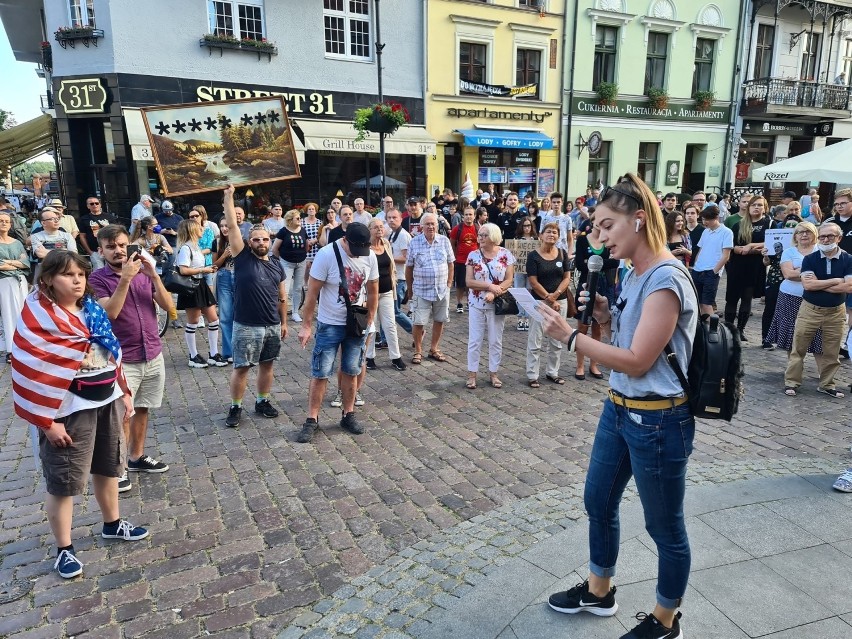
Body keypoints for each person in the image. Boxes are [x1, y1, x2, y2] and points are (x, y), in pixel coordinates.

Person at [539, 174, 698, 639]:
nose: (599, 236)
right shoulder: (632, 274)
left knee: (664, 525)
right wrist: (607, 318)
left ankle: (667, 620)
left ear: (639, 220)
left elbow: (639, 360)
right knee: (598, 498)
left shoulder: (666, 278)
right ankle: (599, 590)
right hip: (619, 407)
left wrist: (571, 337)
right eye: (596, 227)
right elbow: (628, 343)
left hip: (659, 419)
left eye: (607, 225)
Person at [12, 250, 149, 579]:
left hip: (107, 400)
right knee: (64, 482)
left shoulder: (90, 309)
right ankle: (64, 549)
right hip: (69, 410)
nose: (76, 281)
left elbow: (109, 347)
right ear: (47, 279)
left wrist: (124, 391)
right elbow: (32, 371)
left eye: (81, 274)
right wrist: (48, 423)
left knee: (108, 468)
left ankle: (112, 524)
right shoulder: (38, 318)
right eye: (67, 275)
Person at [90, 224, 173, 492]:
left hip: (152, 351)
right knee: (121, 415)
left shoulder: (143, 273)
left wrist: (154, 276)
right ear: (101, 251)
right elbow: (110, 313)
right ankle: (119, 468)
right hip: (121, 358)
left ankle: (136, 457)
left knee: (144, 408)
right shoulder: (97, 280)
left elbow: (169, 307)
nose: (118, 251)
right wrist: (125, 278)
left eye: (122, 245)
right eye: (111, 247)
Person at [296, 223, 378, 443]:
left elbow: (372, 289)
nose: (360, 254)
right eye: (355, 250)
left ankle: (348, 413)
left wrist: (370, 319)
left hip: (356, 323)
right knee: (321, 371)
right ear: (345, 240)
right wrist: (306, 325)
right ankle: (311, 419)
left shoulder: (369, 255)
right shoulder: (326, 254)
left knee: (351, 369)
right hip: (330, 323)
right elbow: (312, 293)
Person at [220, 187, 289, 427]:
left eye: (265, 239)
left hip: (271, 324)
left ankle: (262, 401)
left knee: (267, 365)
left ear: (270, 241)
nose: (261, 242)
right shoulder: (242, 257)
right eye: (256, 239)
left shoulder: (277, 265)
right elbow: (231, 223)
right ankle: (235, 406)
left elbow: (282, 296)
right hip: (247, 325)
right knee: (242, 368)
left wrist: (284, 322)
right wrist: (228, 197)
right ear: (249, 242)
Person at [783, 222, 852, 398]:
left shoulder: (848, 259)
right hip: (810, 309)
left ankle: (827, 384)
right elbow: (808, 284)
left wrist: (819, 283)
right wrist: (836, 280)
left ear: (839, 238)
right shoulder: (810, 259)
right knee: (799, 348)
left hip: (835, 312)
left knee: (831, 351)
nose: (826, 239)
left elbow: (849, 287)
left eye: (830, 236)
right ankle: (792, 382)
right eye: (822, 236)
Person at [464, 223, 515, 390]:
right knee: (475, 340)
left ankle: (494, 372)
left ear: (493, 236)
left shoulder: (505, 254)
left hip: (497, 304)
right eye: (479, 235)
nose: (480, 238)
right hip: (476, 303)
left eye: (484, 235)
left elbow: (508, 280)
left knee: (495, 340)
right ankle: (472, 374)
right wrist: (488, 286)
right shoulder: (473, 255)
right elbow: (469, 281)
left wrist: (495, 292)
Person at [525, 222, 572, 387]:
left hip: (561, 300)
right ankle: (532, 374)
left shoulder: (562, 253)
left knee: (557, 340)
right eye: (548, 232)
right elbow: (533, 281)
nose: (552, 234)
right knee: (535, 338)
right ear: (541, 235)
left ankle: (553, 372)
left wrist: (557, 295)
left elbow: (567, 277)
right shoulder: (533, 256)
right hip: (539, 301)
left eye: (555, 232)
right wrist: (548, 298)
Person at [405, 213, 455, 365]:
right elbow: (409, 267)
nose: (430, 227)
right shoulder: (414, 242)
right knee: (418, 322)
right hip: (421, 289)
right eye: (427, 224)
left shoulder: (444, 241)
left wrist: (449, 283)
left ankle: (434, 348)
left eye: (433, 224)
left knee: (440, 320)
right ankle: (418, 350)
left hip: (441, 289)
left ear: (437, 225)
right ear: (421, 226)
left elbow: (450, 263)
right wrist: (410, 289)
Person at [573, 212, 618, 380]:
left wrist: (592, 262)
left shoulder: (608, 240)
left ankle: (594, 364)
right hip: (586, 286)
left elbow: (615, 262)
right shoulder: (583, 240)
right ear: (592, 222)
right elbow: (579, 264)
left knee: (598, 329)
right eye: (597, 222)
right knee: (582, 327)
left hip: (603, 286)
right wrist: (600, 262)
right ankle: (579, 365)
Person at [174, 219, 225, 368]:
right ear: (192, 230)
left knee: (213, 319)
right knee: (193, 322)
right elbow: (183, 270)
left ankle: (213, 353)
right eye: (200, 228)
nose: (203, 229)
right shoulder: (185, 248)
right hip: (191, 286)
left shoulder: (195, 247)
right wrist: (204, 270)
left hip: (200, 284)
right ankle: (193, 355)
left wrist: (207, 268)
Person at [765, 222, 820, 353]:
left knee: (817, 330)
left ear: (815, 234)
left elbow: (825, 273)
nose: (804, 234)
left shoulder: (821, 251)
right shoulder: (789, 252)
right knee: (792, 330)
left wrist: (800, 271)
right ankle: (793, 368)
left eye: (808, 231)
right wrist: (812, 271)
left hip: (816, 297)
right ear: (795, 236)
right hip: (789, 296)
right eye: (800, 232)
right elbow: (788, 274)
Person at [725, 195, 771, 340]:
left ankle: (740, 330)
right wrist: (741, 249)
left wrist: (750, 247)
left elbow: (772, 243)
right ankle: (729, 330)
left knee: (747, 298)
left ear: (765, 208)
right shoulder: (739, 224)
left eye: (760, 205)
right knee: (732, 298)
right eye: (754, 205)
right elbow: (733, 246)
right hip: (737, 265)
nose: (756, 207)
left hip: (756, 266)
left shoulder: (769, 224)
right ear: (748, 207)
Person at [364, 218, 406, 371]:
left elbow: (391, 266)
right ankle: (369, 357)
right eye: (376, 227)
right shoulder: (365, 249)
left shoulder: (386, 244)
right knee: (371, 325)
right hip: (370, 293)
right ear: (369, 230)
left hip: (387, 291)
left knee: (390, 325)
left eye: (381, 227)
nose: (380, 230)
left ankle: (396, 357)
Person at [0, 209, 29, 363]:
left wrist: (8, 263)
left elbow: (25, 262)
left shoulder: (16, 242)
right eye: (1, 221)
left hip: (20, 282)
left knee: (23, 311)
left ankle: (26, 344)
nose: (4, 223)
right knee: (8, 313)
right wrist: (16, 264)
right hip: (4, 282)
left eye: (6, 221)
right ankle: (12, 349)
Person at [272, 209, 308, 323]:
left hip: (301, 262)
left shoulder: (302, 230)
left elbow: (306, 246)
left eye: (300, 218)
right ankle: (280, 313)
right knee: (284, 289)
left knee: (297, 288)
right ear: (290, 220)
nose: (300, 220)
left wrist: (303, 255)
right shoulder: (283, 231)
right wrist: (281, 260)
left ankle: (295, 312)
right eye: (297, 218)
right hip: (286, 263)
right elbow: (274, 249)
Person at [385, 208, 414, 334]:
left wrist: (388, 258)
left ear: (401, 219)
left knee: (394, 311)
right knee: (386, 309)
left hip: (400, 278)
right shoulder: (393, 233)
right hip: (393, 277)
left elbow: (406, 258)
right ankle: (385, 339)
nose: (391, 220)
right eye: (389, 218)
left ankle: (416, 331)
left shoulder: (402, 235)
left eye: (394, 217)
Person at [31, 207, 78, 282]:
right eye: (52, 219)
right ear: (43, 223)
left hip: (65, 271)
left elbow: (73, 254)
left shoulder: (68, 236)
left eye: (57, 218)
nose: (56, 221)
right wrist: (64, 252)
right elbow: (40, 254)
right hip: (45, 273)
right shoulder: (35, 237)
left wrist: (47, 252)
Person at [213, 217, 235, 364]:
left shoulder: (242, 240)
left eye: (227, 225)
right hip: (224, 277)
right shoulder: (217, 242)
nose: (224, 228)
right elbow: (214, 265)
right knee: (226, 317)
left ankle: (243, 350)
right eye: (222, 226)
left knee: (241, 315)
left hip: (240, 277)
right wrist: (225, 255)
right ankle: (228, 352)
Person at [450, 206, 479, 314]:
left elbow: (480, 243)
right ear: (463, 217)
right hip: (461, 260)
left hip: (474, 261)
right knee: (460, 284)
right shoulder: (457, 229)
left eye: (470, 214)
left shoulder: (478, 228)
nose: (468, 217)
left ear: (474, 216)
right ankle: (459, 303)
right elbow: (452, 242)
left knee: (471, 284)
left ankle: (469, 302)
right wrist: (453, 256)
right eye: (466, 215)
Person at [513, 216, 539, 331]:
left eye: (528, 225)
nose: (527, 228)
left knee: (529, 293)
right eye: (524, 226)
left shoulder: (536, 240)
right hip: (519, 269)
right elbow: (512, 255)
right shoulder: (517, 239)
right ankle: (520, 317)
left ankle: (527, 318)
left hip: (531, 271)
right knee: (519, 292)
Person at [78, 196, 113, 270]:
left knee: (111, 270)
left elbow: (116, 233)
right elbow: (82, 236)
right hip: (94, 250)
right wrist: (89, 251)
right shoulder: (84, 219)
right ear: (88, 206)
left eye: (96, 203)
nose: (94, 205)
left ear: (100, 204)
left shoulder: (110, 217)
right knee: (98, 271)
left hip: (109, 248)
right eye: (91, 204)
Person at [189, 206, 216, 289]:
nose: (194, 218)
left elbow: (210, 248)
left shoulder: (208, 231)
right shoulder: (187, 232)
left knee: (209, 289)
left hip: (206, 263)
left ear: (201, 216)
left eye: (197, 216)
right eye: (192, 217)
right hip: (192, 265)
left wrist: (197, 253)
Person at [302, 202, 322, 281]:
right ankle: (306, 283)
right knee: (306, 266)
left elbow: (321, 234)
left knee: (316, 266)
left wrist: (315, 240)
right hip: (306, 247)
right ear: (306, 211)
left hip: (316, 247)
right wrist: (306, 241)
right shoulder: (301, 221)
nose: (311, 211)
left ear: (316, 211)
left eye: (313, 209)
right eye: (309, 209)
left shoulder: (320, 222)